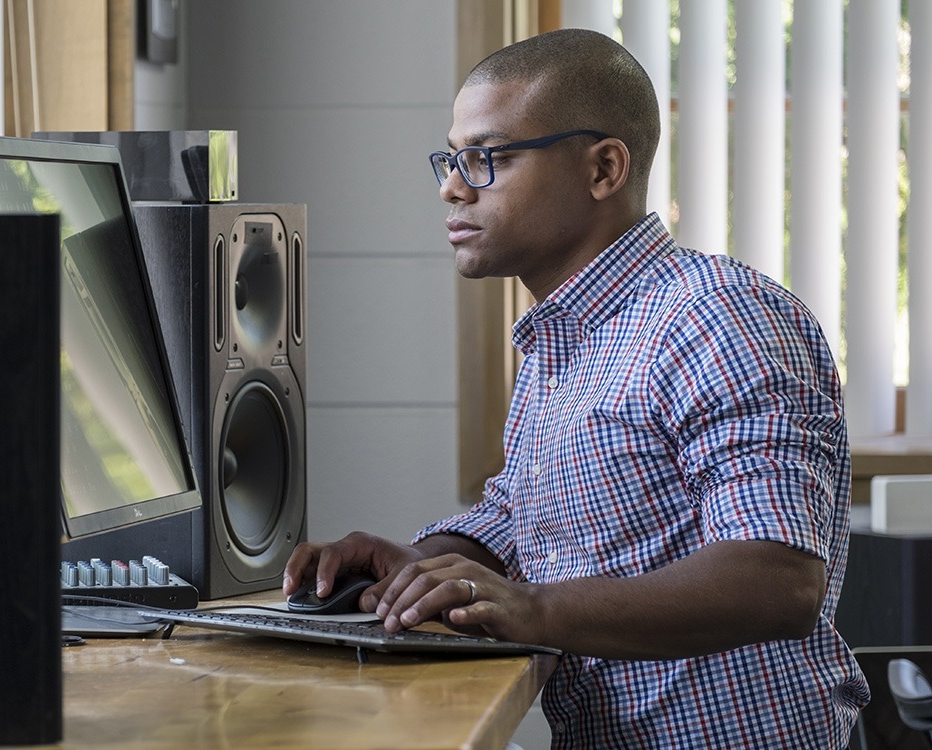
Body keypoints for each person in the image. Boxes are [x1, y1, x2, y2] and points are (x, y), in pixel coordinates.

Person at [284, 27, 870, 748]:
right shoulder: (563, 338)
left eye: (487, 158)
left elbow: (778, 581)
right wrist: (424, 561)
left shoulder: (718, 318)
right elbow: (531, 511)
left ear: (604, 169)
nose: (452, 186)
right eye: (452, 157)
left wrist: (530, 609)